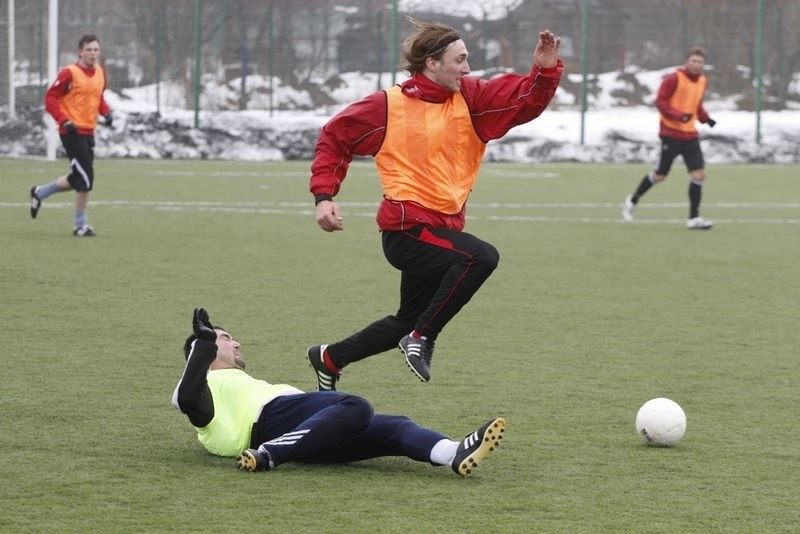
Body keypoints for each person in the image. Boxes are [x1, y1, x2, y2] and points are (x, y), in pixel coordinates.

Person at [307, 18, 563, 390]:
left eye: (467, 59)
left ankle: (330, 358)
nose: (467, 68)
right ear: (432, 63)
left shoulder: (471, 98)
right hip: (406, 232)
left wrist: (543, 71)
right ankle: (422, 338)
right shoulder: (387, 105)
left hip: (440, 231)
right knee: (480, 256)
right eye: (459, 60)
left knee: (405, 320)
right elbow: (334, 137)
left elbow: (523, 101)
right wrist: (324, 196)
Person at [172, 308, 506, 476]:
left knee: (394, 427)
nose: (237, 341)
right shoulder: (207, 384)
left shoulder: (228, 382)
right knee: (355, 406)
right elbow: (187, 398)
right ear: (206, 349)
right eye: (226, 337)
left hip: (301, 435)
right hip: (271, 426)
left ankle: (453, 453)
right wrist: (203, 344)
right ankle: (271, 453)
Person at [621, 46, 716, 229]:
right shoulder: (674, 79)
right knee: (660, 175)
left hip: (690, 135)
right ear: (687, 61)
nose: (696, 64)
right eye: (693, 61)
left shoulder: (702, 81)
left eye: (700, 62)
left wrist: (706, 119)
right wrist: (678, 115)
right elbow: (661, 102)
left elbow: (696, 105)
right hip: (671, 134)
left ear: (703, 64)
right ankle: (632, 200)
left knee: (699, 174)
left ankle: (694, 219)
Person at [29, 34, 113, 237]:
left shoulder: (100, 72)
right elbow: (50, 98)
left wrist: (106, 112)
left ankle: (40, 192)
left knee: (78, 177)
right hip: (71, 132)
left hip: (88, 131)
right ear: (80, 52)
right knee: (86, 179)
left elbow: (97, 97)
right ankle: (79, 225)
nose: (93, 53)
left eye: (96, 49)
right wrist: (63, 120)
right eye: (89, 49)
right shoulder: (70, 73)